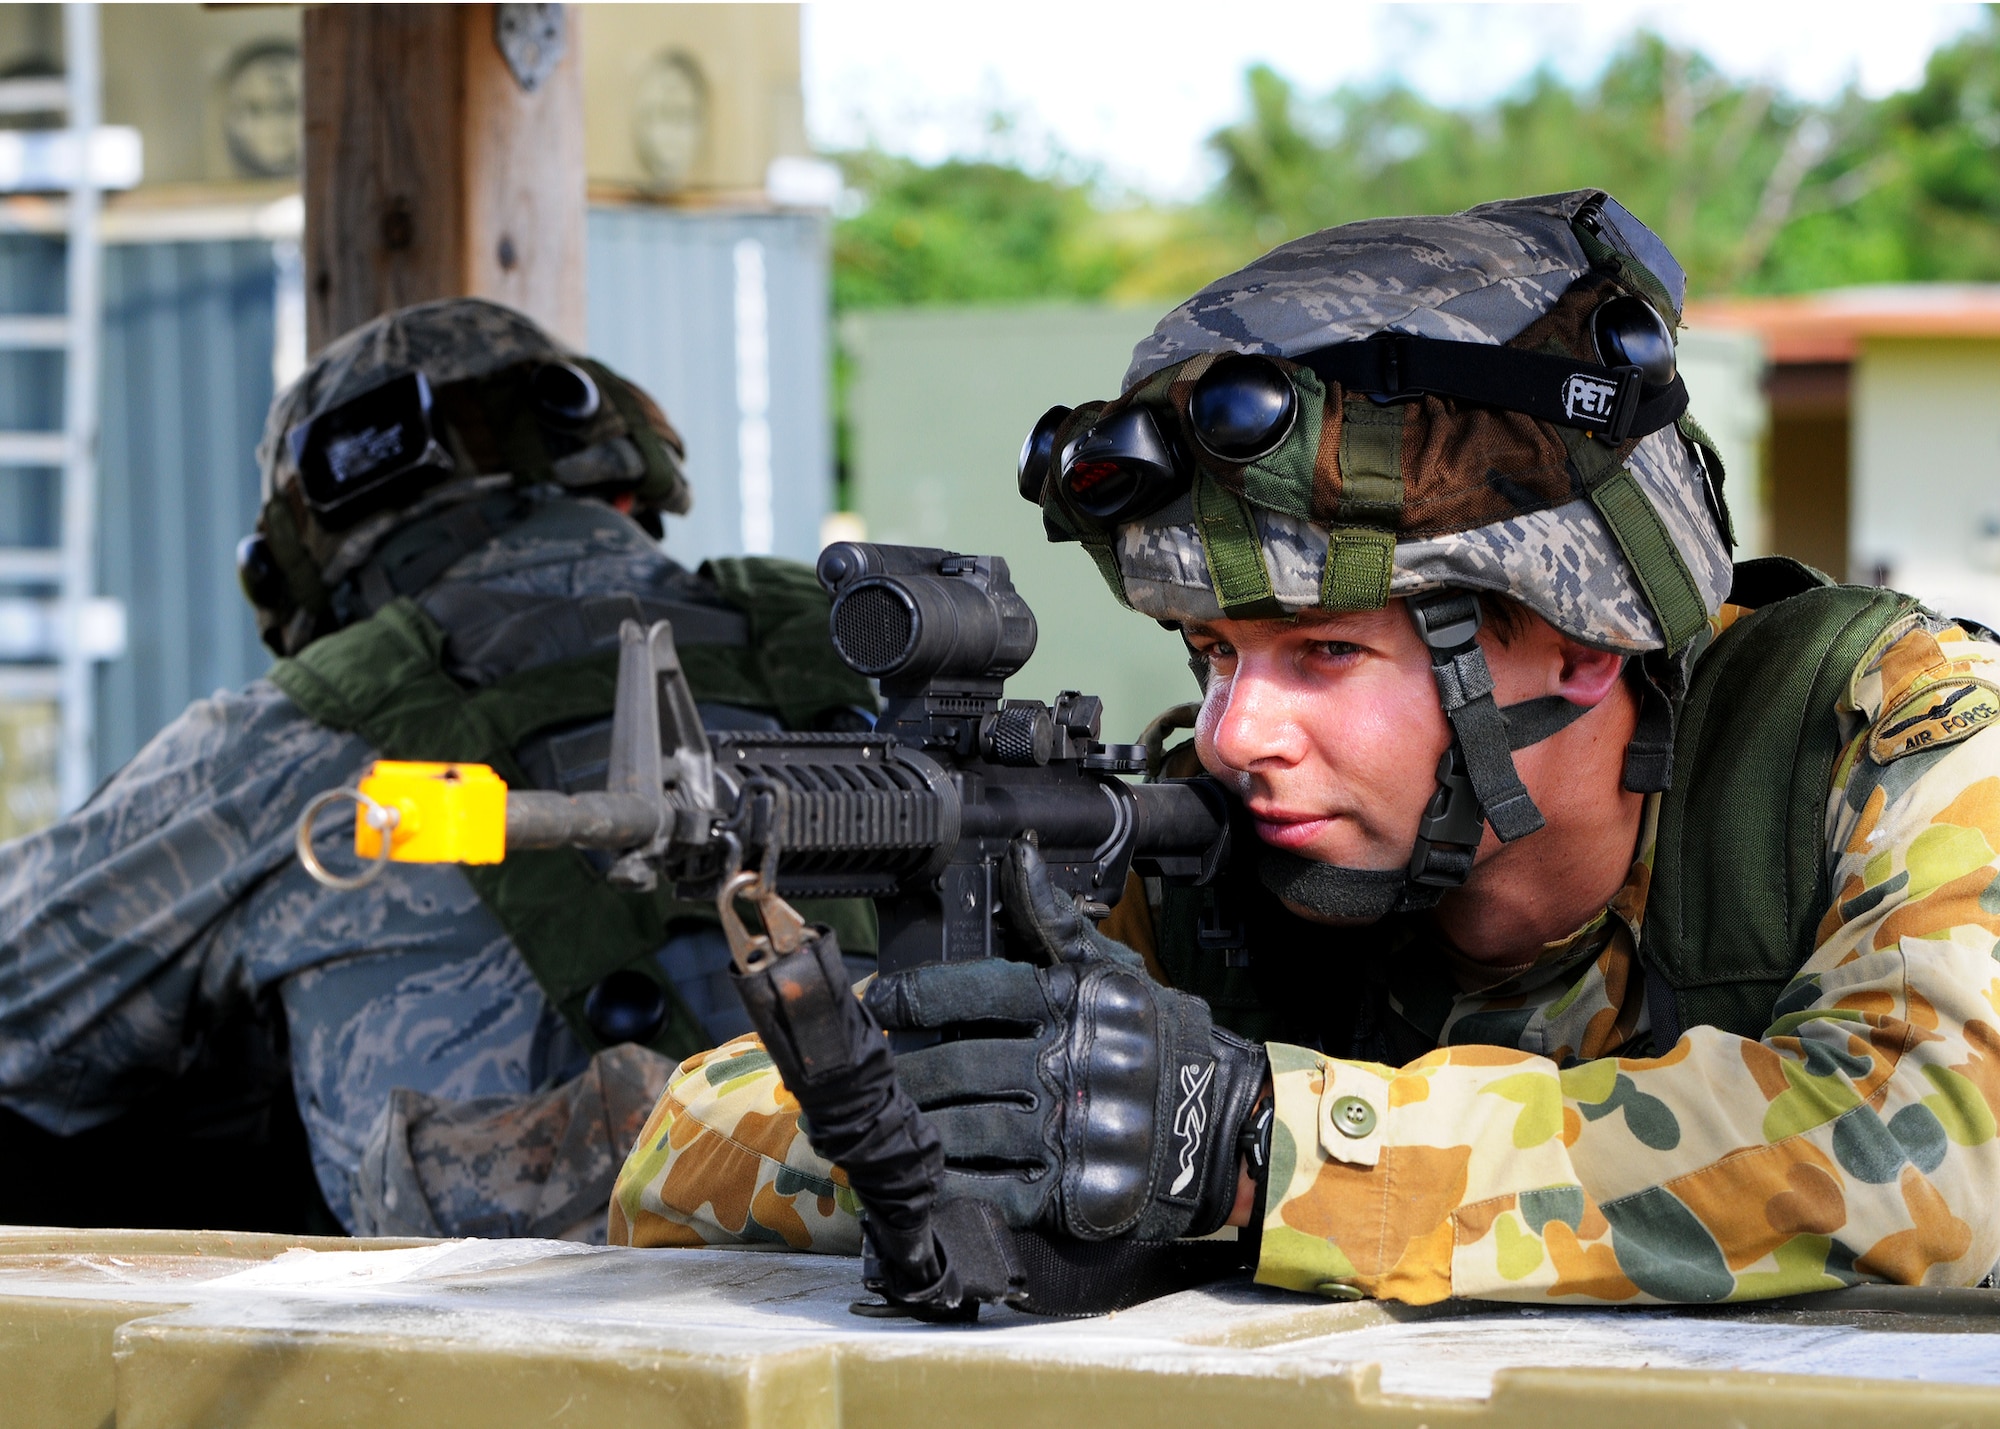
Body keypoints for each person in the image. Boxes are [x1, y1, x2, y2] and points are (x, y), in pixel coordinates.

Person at [609, 190, 2000, 1303]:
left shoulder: (1882, 735)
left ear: (1581, 639)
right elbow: (687, 1147)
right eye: (1213, 655)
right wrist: (966, 1128)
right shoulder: (1220, 836)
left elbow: (1944, 1142)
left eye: (1324, 653)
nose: (1236, 732)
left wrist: (1255, 1151)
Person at [0, 297, 874, 1242]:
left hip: (543, 1366)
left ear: (305, 564)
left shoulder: (294, 732)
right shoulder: (863, 647)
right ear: (620, 472)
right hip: (965, 1284)